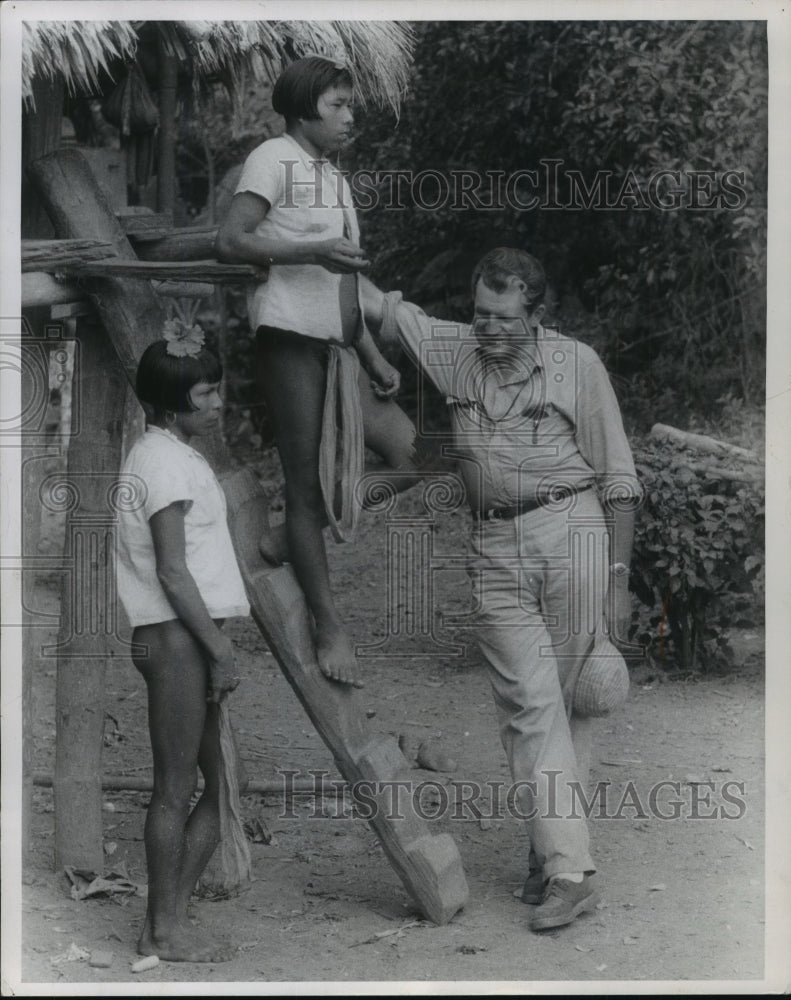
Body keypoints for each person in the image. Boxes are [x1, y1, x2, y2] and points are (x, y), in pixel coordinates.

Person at [360, 248, 642, 932]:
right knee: (527, 703)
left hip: (572, 531)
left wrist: (617, 580)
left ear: (537, 316)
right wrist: (300, 246)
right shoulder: (453, 347)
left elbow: (620, 479)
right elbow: (373, 302)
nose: (488, 329)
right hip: (492, 546)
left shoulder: (577, 365)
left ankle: (550, 854)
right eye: (480, 313)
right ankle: (569, 870)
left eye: (504, 317)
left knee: (573, 701)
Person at [215, 56, 419, 690]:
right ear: (303, 109)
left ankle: (289, 534)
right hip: (289, 345)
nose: (349, 116)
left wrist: (376, 358)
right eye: (337, 105)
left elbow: (346, 284)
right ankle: (328, 624)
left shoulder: (333, 178)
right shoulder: (272, 159)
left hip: (339, 347)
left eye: (348, 104)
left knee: (416, 455)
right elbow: (231, 240)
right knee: (305, 487)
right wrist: (310, 250)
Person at [116, 322, 250, 962]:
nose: (216, 403)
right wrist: (218, 649)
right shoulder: (162, 461)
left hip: (187, 639)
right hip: (176, 641)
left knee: (221, 788)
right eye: (204, 395)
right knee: (175, 787)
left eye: (216, 390)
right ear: (169, 406)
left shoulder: (174, 454)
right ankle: (161, 930)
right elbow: (172, 571)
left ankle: (170, 916)